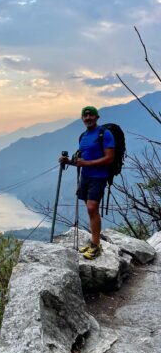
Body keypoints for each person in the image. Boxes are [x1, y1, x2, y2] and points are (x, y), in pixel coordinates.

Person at [59, 106, 115, 260]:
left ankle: (96, 246)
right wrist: (68, 161)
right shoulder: (83, 136)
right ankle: (93, 242)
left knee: (92, 208)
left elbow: (110, 158)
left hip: (99, 176)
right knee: (91, 210)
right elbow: (81, 161)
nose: (88, 118)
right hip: (85, 177)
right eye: (85, 116)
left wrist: (87, 164)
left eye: (91, 115)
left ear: (97, 117)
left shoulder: (105, 134)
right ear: (82, 118)